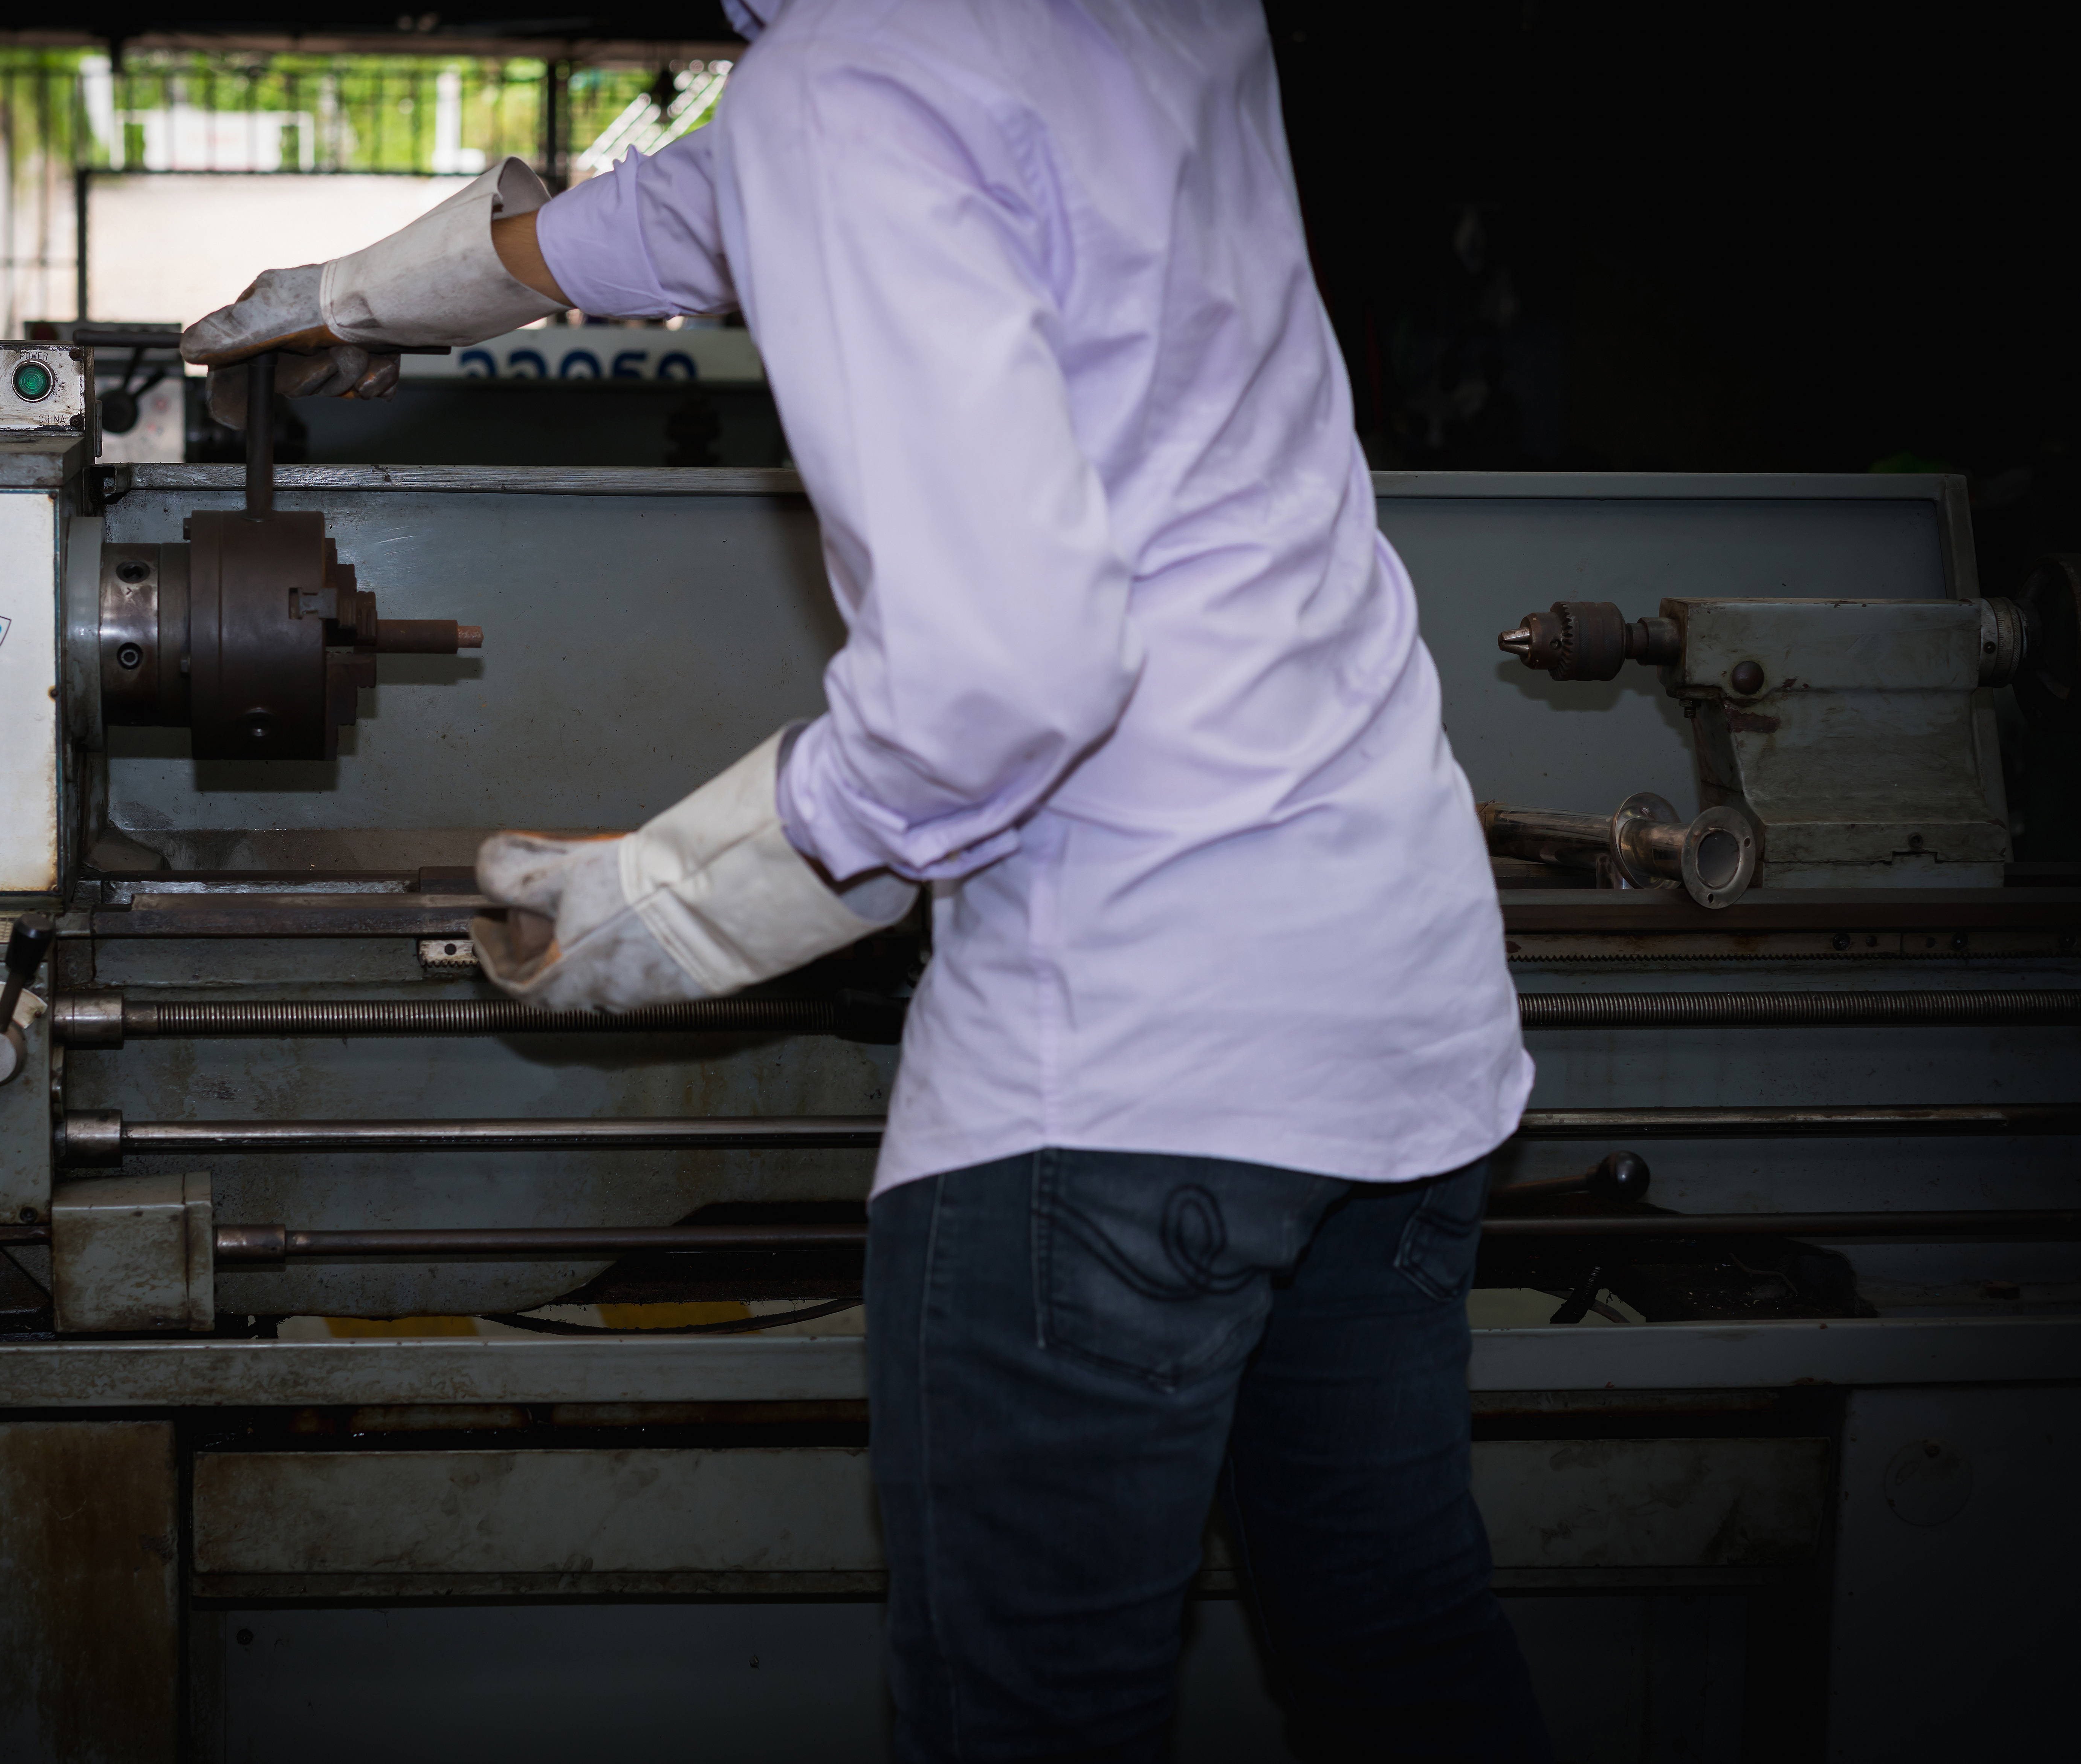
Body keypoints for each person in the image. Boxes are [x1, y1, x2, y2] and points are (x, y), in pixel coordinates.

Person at [184, 2, 1548, 1756]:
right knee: (1401, 1660)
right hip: (1397, 1018)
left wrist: (668, 903)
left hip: (1116, 1072)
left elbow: (1003, 676)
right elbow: (746, 193)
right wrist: (384, 287)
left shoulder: (848, 77)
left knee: (1031, 1721)